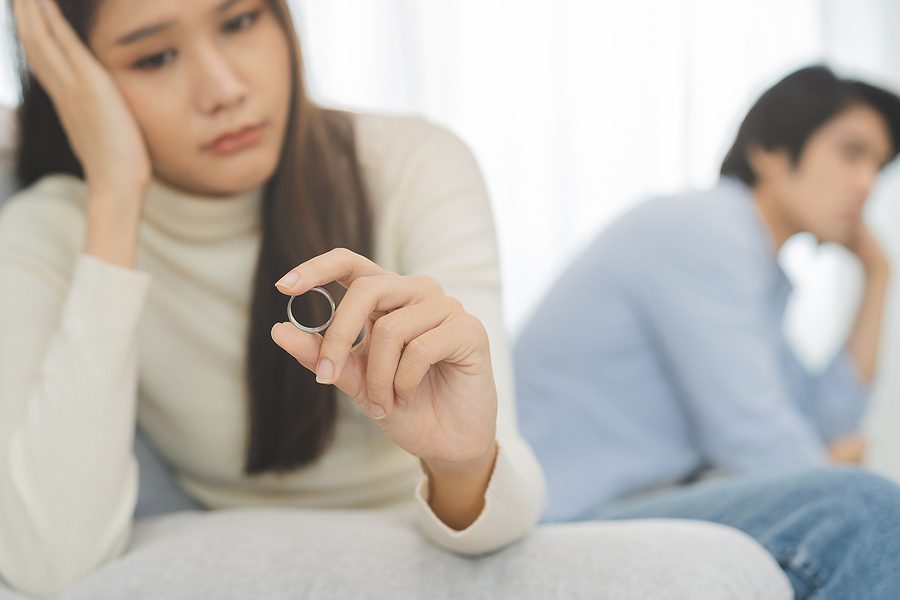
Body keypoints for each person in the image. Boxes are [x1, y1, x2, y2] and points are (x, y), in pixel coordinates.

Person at [0, 0, 550, 596]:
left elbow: (508, 494)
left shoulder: (413, 166)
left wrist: (462, 464)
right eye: (155, 57)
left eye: (239, 22)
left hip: (431, 527)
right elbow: (48, 562)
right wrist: (113, 201)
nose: (224, 89)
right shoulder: (54, 232)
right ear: (73, 79)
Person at [515, 65, 900, 599]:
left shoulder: (756, 271)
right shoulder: (704, 231)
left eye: (878, 167)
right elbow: (761, 448)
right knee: (866, 508)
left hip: (614, 507)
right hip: (559, 512)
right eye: (851, 153)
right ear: (768, 148)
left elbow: (827, 421)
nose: (866, 184)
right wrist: (827, 464)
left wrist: (878, 277)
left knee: (858, 500)